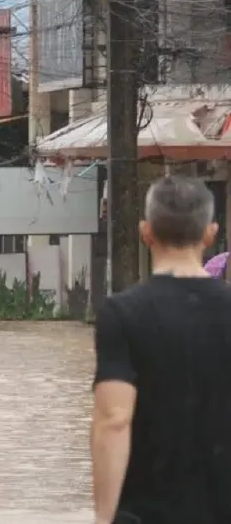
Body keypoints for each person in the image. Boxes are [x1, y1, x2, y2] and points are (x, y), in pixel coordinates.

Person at [91, 176, 231, 524]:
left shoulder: (121, 313)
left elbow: (114, 419)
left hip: (145, 510)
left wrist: (103, 518)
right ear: (210, 233)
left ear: (146, 231)